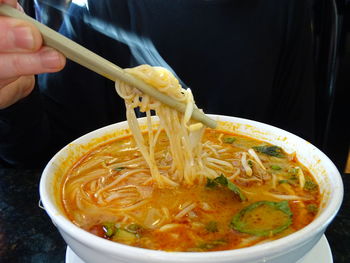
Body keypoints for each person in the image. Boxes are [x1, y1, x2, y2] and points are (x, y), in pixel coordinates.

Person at [0, 0, 315, 168]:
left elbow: (300, 150)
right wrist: (16, 98)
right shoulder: (98, 8)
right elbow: (42, 161)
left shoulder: (287, 7)